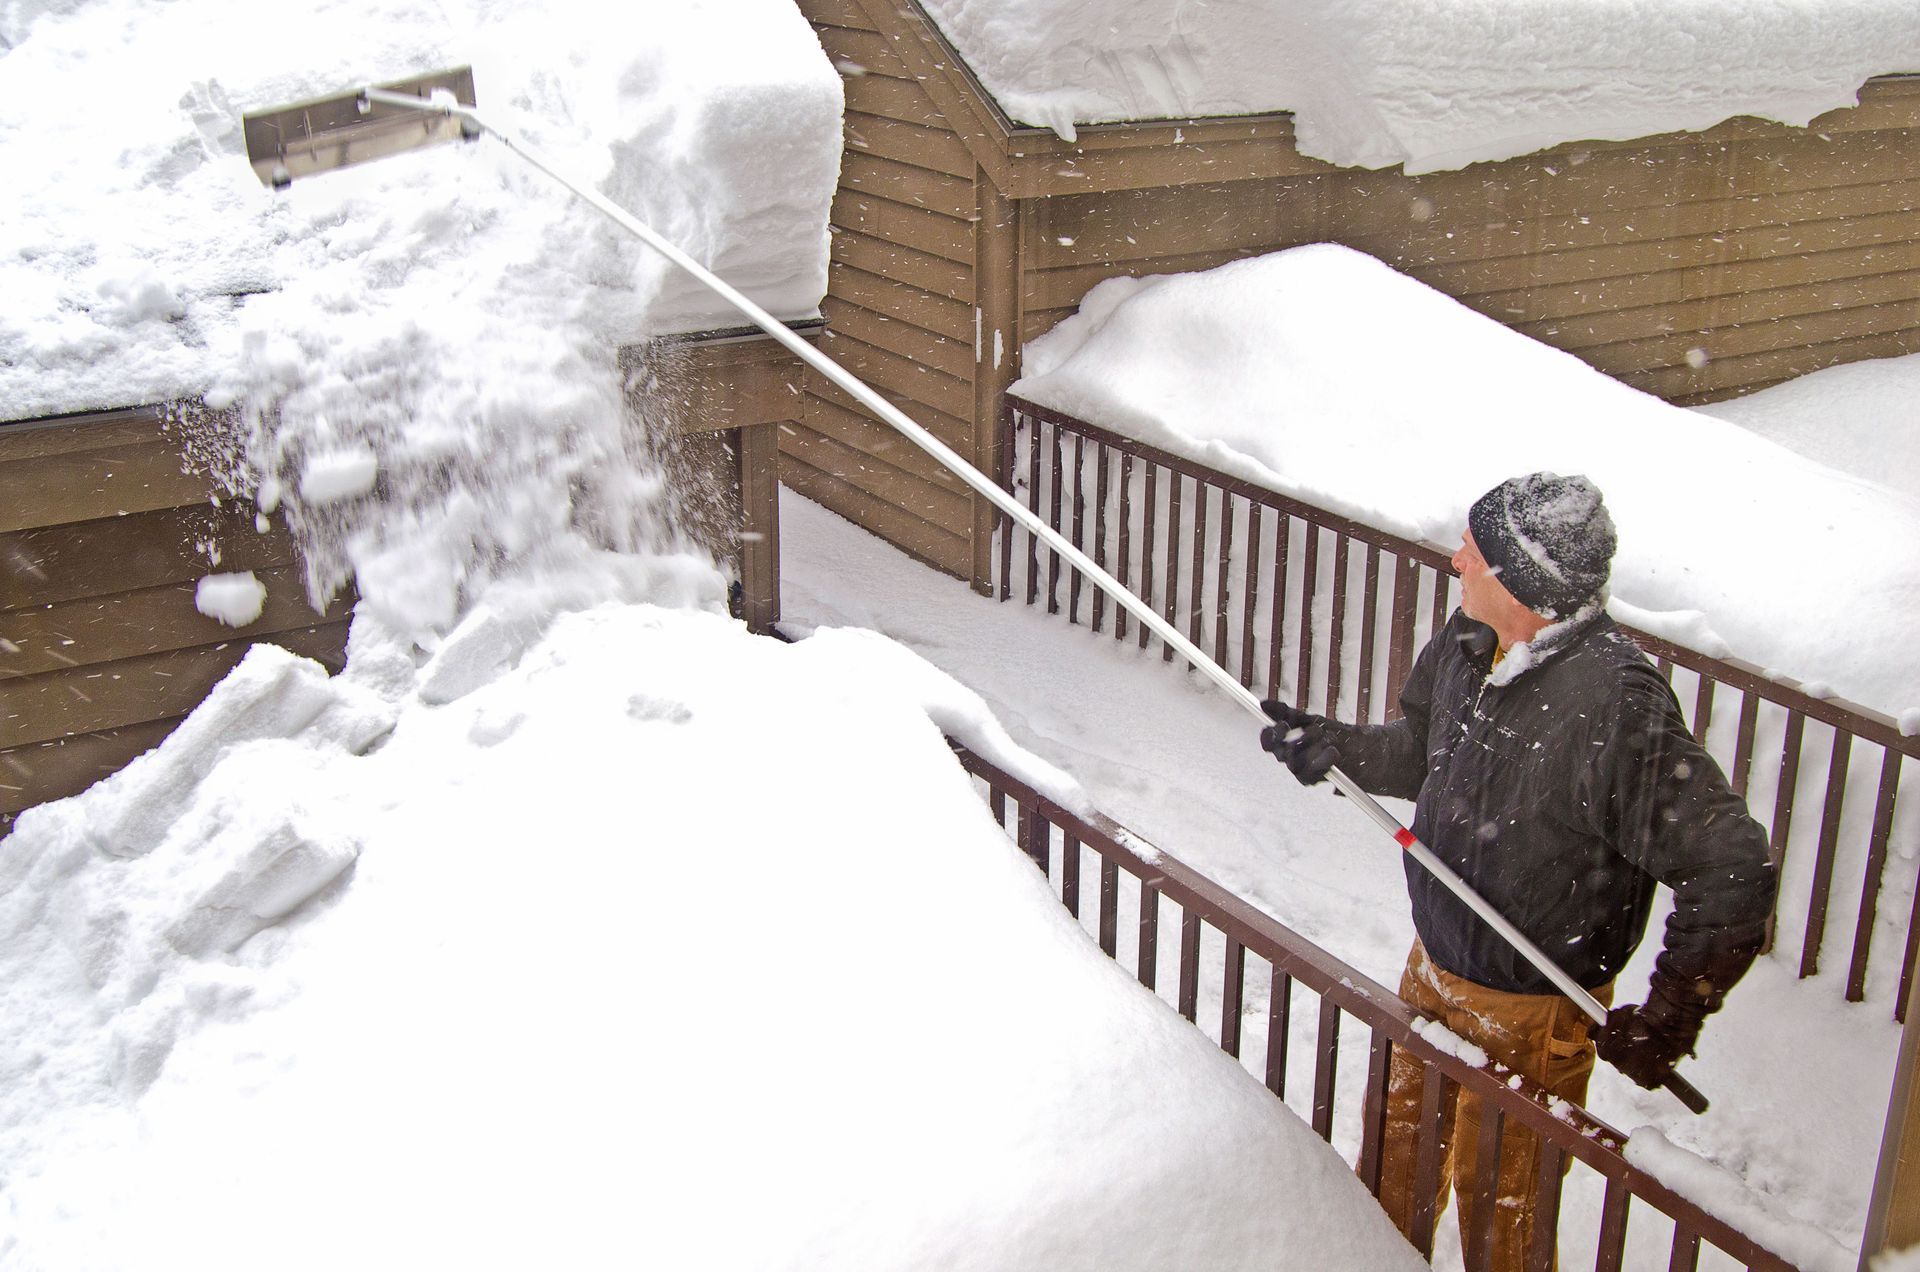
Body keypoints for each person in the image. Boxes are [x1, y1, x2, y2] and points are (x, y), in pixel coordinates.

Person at [1259, 472, 1777, 1271]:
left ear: (1524, 579)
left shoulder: (1613, 705)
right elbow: (1424, 752)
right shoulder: (1467, 644)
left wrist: (1671, 1018)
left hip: (1536, 1018)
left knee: (1503, 1224)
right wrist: (1338, 749)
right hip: (1432, 971)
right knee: (1391, 1178)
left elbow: (1732, 868)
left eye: (1477, 548)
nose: (1456, 558)